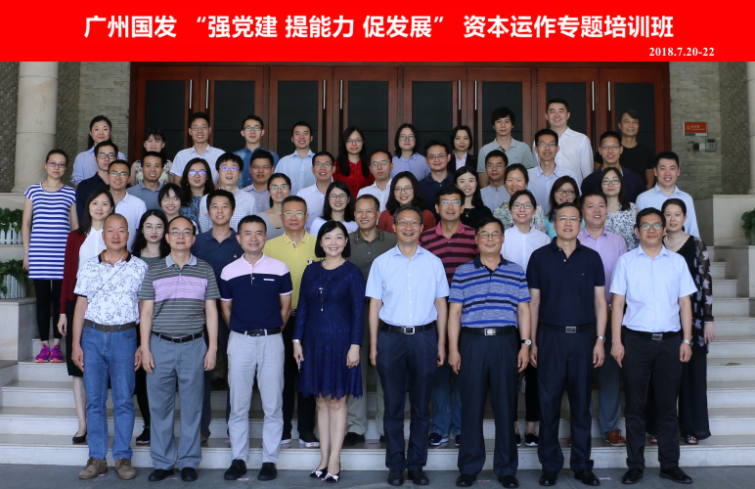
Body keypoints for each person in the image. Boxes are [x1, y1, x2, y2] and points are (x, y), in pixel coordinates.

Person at [609, 208, 697, 485]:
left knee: (668, 406)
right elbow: (618, 304)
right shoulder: (626, 261)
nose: (651, 230)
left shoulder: (677, 262)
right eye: (645, 225)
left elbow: (685, 303)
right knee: (635, 406)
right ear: (637, 231)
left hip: (670, 343)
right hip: (635, 342)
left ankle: (670, 465)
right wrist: (616, 341)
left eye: (656, 225)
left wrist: (686, 340)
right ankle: (635, 466)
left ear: (664, 229)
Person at [366, 204, 449, 487]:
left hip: (425, 338)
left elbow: (441, 305)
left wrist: (441, 342)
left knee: (421, 406)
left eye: (414, 223)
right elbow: (375, 305)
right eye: (403, 222)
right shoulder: (382, 263)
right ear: (394, 226)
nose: (408, 227)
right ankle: (395, 465)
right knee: (393, 406)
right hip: (391, 339)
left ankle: (416, 465)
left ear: (422, 227)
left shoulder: (433, 262)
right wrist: (374, 344)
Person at [527, 202, 607, 487]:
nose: (569, 223)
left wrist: (600, 340)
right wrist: (532, 342)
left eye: (574, 218)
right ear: (553, 223)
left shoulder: (592, 258)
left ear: (581, 223)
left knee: (581, 405)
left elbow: (601, 303)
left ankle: (582, 466)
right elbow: (533, 303)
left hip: (584, 339)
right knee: (548, 405)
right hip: (550, 338)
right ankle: (550, 466)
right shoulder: (539, 257)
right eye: (563, 218)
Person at [449, 217, 532, 489]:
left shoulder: (516, 271)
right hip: (472, 343)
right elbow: (454, 313)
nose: (490, 239)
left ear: (502, 239)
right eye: (484, 234)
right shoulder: (463, 271)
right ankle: (469, 468)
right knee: (471, 407)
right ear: (476, 239)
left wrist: (525, 344)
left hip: (506, 343)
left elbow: (523, 309)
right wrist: (453, 348)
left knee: (505, 407)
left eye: (495, 234)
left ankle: (506, 469)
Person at [140, 216, 220, 482]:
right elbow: (146, 312)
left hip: (194, 345)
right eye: (175, 232)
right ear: (167, 237)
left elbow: (211, 311)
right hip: (159, 345)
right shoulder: (154, 270)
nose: (181, 236)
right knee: (159, 407)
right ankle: (163, 463)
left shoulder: (205, 269)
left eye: (187, 232)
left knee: (192, 407)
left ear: (193, 238)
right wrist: (145, 348)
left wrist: (212, 348)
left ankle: (188, 461)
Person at [70, 213, 148, 480]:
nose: (116, 235)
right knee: (94, 400)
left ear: (129, 234)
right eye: (110, 230)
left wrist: (142, 345)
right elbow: (80, 306)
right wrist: (76, 344)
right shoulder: (89, 266)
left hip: (125, 337)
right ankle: (97, 457)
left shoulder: (139, 267)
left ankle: (123, 457)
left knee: (124, 399)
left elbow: (144, 309)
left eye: (121, 230)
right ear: (103, 235)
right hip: (92, 337)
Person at [219, 215, 292, 482]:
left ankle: (269, 460)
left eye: (258, 233)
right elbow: (226, 309)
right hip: (240, 341)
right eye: (247, 233)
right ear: (239, 238)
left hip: (272, 340)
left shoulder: (279, 268)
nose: (253, 238)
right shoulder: (229, 271)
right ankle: (238, 459)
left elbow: (286, 307)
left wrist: (270, 331)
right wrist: (243, 331)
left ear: (265, 237)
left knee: (273, 404)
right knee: (238, 404)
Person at [294, 221, 365, 483]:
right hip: (313, 342)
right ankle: (323, 459)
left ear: (345, 242)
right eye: (327, 238)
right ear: (320, 242)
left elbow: (359, 312)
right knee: (321, 401)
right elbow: (302, 307)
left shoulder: (352, 272)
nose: (333, 242)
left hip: (341, 343)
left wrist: (355, 345)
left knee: (337, 400)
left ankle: (335, 459)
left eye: (338, 237)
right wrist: (296, 340)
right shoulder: (311, 271)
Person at [645, 199, 714, 445]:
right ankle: (658, 428)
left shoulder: (696, 244)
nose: (672, 218)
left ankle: (691, 428)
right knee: (660, 374)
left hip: (693, 316)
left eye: (677, 214)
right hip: (661, 317)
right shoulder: (655, 243)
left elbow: (706, 282)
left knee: (691, 374)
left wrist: (708, 319)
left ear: (685, 218)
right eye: (668, 214)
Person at [420, 186, 478, 449]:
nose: (451, 207)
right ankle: (440, 427)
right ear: (437, 208)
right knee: (440, 371)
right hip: (435, 315)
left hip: (468, 315)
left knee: (465, 372)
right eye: (446, 202)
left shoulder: (474, 236)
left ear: (463, 207)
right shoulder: (426, 238)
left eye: (456, 202)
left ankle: (463, 426)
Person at [262, 196, 320, 448]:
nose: (294, 218)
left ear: (307, 217)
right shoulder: (270, 247)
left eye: (299, 213)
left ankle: (306, 430)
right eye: (288, 213)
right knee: (281, 375)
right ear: (281, 217)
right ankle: (283, 428)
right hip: (281, 319)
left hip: (313, 320)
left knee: (307, 374)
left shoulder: (320, 244)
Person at [58, 189, 114, 446]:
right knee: (78, 368)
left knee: (104, 364)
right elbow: (68, 275)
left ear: (112, 208)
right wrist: (62, 311)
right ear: (88, 207)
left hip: (109, 308)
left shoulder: (115, 235)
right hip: (77, 305)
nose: (99, 208)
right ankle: (83, 424)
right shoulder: (75, 237)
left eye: (105, 204)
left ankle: (99, 419)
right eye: (95, 203)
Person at [191, 189, 245, 442]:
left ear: (233, 211)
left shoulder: (242, 241)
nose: (220, 210)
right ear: (207, 211)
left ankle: (235, 428)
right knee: (201, 371)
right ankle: (202, 429)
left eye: (225, 206)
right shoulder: (197, 242)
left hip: (236, 314)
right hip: (201, 314)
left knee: (236, 371)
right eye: (215, 206)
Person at [344, 195, 397, 446]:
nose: (364, 215)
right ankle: (355, 426)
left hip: (387, 313)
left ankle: (388, 426)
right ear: (354, 215)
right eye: (359, 211)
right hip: (353, 313)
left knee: (386, 369)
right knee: (355, 368)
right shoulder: (344, 241)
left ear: (378, 214)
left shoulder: (393, 241)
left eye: (369, 211)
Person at [578, 191, 628, 448]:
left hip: (611, 314)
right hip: (580, 315)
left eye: (601, 205)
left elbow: (624, 281)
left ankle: (610, 428)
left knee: (609, 373)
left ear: (607, 212)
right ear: (582, 211)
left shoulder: (618, 242)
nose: (596, 210)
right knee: (580, 374)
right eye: (590, 206)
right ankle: (581, 428)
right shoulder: (573, 239)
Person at [500, 190, 549, 449]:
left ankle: (531, 425)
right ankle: (512, 425)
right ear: (510, 210)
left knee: (534, 371)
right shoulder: (502, 237)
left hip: (537, 311)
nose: (522, 209)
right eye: (517, 205)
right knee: (510, 373)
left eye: (527, 205)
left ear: (534, 210)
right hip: (508, 313)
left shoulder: (544, 239)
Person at [22, 149, 77, 363]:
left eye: (61, 164)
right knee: (43, 301)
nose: (56, 167)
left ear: (65, 168)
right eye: (53, 163)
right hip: (39, 255)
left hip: (62, 257)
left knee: (59, 302)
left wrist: (74, 258)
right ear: (46, 165)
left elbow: (75, 228)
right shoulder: (33, 191)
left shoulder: (70, 193)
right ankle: (44, 346)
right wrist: (27, 254)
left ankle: (56, 346)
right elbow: (26, 224)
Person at [130, 209, 172, 446]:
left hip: (166, 324)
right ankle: (148, 425)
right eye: (149, 226)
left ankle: (163, 425)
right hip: (135, 325)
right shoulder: (131, 257)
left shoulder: (173, 256)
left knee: (162, 377)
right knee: (142, 377)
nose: (154, 231)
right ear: (141, 230)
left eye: (159, 226)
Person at [636, 152, 700, 238]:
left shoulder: (686, 199)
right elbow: (638, 234)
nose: (667, 173)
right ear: (655, 171)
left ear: (678, 171)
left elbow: (693, 232)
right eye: (663, 168)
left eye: (672, 168)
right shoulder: (643, 199)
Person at [532, 99, 593, 184]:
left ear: (568, 115)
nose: (556, 115)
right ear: (546, 116)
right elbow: (537, 169)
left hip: (574, 190)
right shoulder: (538, 141)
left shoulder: (582, 139)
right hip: (545, 190)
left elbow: (588, 174)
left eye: (561, 111)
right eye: (552, 111)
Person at [198, 153, 257, 233]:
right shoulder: (206, 199)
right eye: (224, 168)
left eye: (233, 168)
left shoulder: (249, 199)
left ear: (239, 173)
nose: (229, 172)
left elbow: (253, 227)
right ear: (218, 173)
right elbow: (204, 231)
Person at [477, 107, 535, 188]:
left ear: (512, 125)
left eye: (507, 121)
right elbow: (484, 185)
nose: (503, 125)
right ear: (493, 125)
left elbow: (529, 179)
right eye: (499, 121)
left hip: (518, 194)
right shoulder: (484, 150)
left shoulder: (524, 148)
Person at [580, 131, 645, 203]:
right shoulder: (589, 181)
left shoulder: (636, 180)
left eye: (614, 147)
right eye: (605, 147)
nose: (610, 151)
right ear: (600, 150)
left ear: (621, 150)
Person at [528, 128, 578, 216]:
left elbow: (577, 202)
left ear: (557, 148)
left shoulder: (569, 175)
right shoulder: (527, 176)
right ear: (536, 149)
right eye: (542, 144)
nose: (547, 148)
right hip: (533, 223)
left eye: (551, 144)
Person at [170, 112, 225, 185]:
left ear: (209, 130)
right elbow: (177, 183)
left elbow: (223, 181)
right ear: (190, 131)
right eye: (195, 128)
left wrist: (213, 192)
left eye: (203, 127)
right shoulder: (181, 155)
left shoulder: (220, 154)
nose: (200, 131)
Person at [72, 115, 126, 186]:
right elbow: (77, 180)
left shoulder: (120, 156)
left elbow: (123, 179)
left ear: (110, 132)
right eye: (97, 129)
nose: (101, 133)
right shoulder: (81, 157)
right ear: (91, 133)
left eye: (105, 129)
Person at [108, 160, 147, 251]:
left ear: (129, 179)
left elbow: (141, 236)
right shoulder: (98, 202)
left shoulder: (139, 204)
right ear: (107, 177)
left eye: (123, 174)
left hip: (129, 256)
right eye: (114, 173)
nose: (118, 177)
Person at [493, 164, 545, 232]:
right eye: (510, 180)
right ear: (505, 182)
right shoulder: (498, 211)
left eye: (519, 180)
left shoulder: (537, 209)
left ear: (526, 182)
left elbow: (541, 235)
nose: (514, 184)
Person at [76, 140, 118, 221]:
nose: (106, 159)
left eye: (111, 155)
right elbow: (82, 218)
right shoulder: (84, 186)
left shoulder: (125, 186)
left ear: (117, 158)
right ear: (95, 159)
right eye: (102, 155)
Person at [235, 115, 280, 189]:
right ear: (242, 132)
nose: (252, 131)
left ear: (262, 132)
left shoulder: (273, 156)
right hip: (240, 195)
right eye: (248, 128)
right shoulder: (235, 156)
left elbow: (276, 180)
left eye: (256, 128)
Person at [601, 167, 640, 251]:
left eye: (615, 180)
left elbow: (640, 237)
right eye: (606, 181)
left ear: (621, 184)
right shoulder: (596, 210)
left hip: (630, 256)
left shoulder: (633, 209)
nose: (610, 184)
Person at [297, 151, 336, 231]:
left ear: (333, 169)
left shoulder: (342, 193)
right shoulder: (303, 195)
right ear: (313, 169)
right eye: (318, 164)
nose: (322, 168)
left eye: (327, 164)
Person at [617, 110, 655, 189]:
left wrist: (644, 196)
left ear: (638, 126)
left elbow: (650, 182)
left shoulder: (646, 152)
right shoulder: (611, 151)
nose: (631, 125)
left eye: (634, 122)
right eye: (627, 121)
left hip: (640, 196)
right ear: (619, 125)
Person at [276, 121, 316, 195]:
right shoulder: (283, 162)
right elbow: (275, 185)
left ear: (311, 138)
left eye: (305, 133)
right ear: (292, 138)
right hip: (288, 202)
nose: (301, 137)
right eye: (297, 134)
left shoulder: (319, 161)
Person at [418, 140, 455, 222]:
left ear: (448, 157)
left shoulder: (457, 183)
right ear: (426, 160)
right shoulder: (419, 186)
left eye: (440, 156)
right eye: (432, 157)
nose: (436, 160)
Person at [334, 126, 374, 198]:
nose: (354, 144)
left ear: (363, 142)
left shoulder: (370, 166)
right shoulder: (336, 166)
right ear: (344, 143)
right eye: (349, 140)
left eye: (358, 140)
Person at [256, 173, 292, 240]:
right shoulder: (259, 218)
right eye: (274, 187)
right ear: (269, 192)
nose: (279, 191)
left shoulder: (297, 217)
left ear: (289, 190)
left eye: (283, 187)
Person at [179, 157, 214, 223]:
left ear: (207, 176)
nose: (197, 175)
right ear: (186, 176)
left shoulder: (214, 198)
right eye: (192, 172)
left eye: (201, 172)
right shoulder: (179, 198)